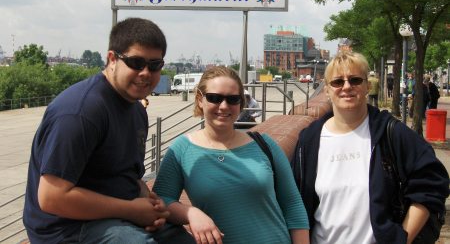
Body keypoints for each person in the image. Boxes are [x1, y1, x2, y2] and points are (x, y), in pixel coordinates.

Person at [23, 18, 194, 244]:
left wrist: (148, 201)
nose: (145, 72)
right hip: (66, 228)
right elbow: (52, 198)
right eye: (136, 62)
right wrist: (131, 211)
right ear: (112, 59)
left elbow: (125, 175)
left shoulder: (136, 110)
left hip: (117, 213)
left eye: (154, 65)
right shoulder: (80, 112)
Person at [291, 51, 448, 244]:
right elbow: (294, 202)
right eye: (338, 82)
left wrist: (402, 239)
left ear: (367, 86)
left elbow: (431, 183)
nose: (346, 87)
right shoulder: (309, 140)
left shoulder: (391, 133)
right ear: (326, 90)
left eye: (355, 80)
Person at [153, 66, 310, 244]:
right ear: (200, 100)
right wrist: (191, 214)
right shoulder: (182, 149)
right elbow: (161, 200)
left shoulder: (264, 144)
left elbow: (293, 206)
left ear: (241, 103)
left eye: (233, 99)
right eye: (214, 98)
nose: (224, 106)